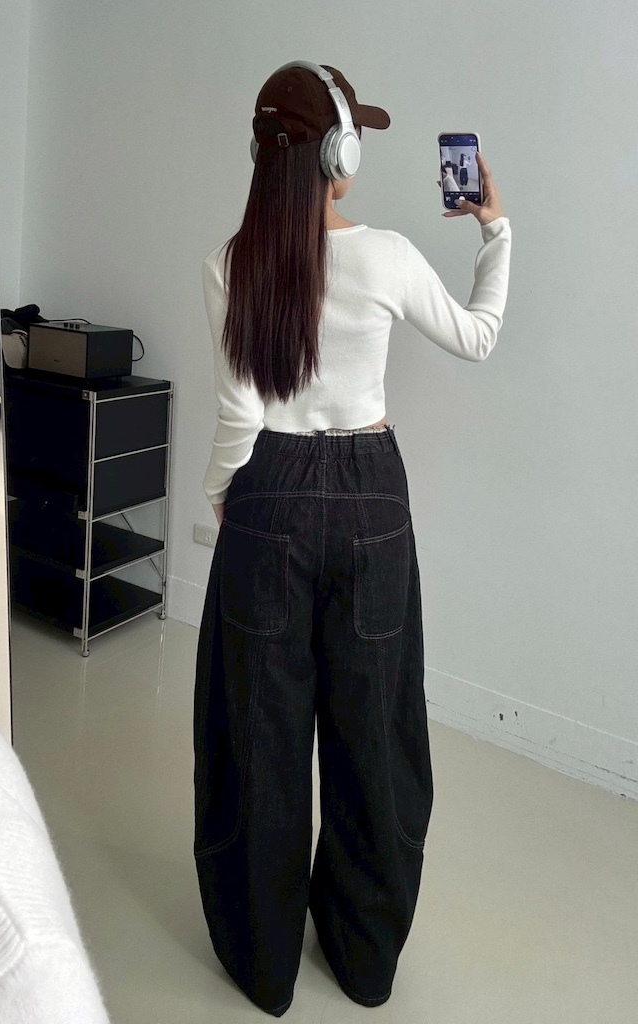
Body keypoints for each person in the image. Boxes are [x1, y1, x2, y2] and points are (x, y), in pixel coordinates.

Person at [194, 61, 511, 1017]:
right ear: (339, 153)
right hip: (371, 497)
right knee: (375, 732)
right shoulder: (389, 256)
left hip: (267, 495)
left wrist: (227, 502)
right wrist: (495, 229)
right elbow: (479, 336)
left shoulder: (232, 261)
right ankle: (364, 961)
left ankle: (265, 968)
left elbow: (239, 412)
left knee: (258, 733)